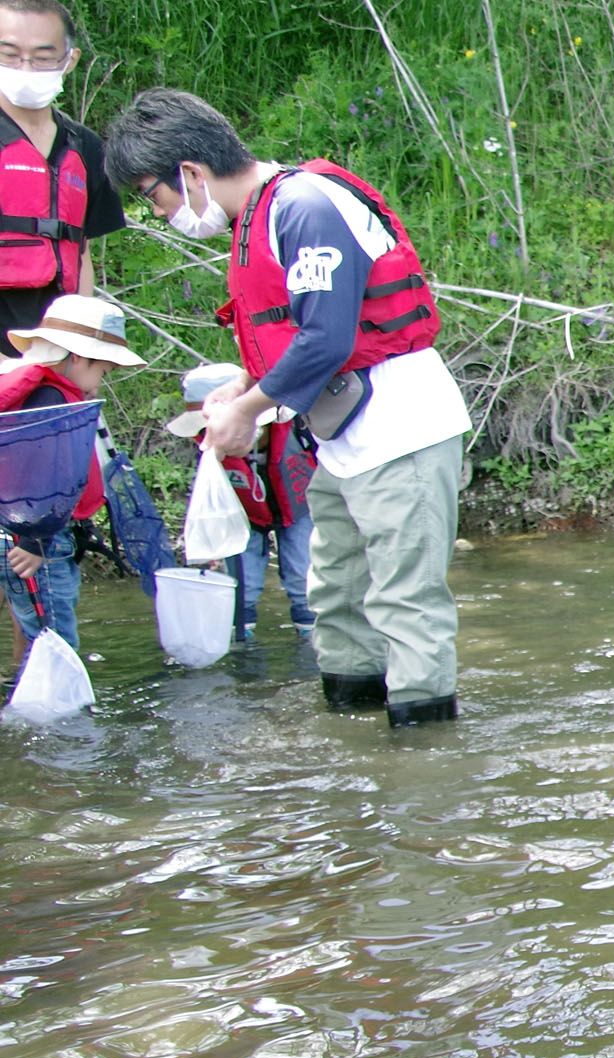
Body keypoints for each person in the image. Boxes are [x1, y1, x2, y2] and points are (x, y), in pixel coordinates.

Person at [106, 89, 470, 727]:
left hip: (401, 429)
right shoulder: (260, 214)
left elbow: (326, 338)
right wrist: (246, 384)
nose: (158, 211)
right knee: (336, 594)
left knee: (406, 602)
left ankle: (423, 775)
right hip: (342, 440)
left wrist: (248, 410)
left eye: (153, 195)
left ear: (189, 173)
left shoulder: (302, 205)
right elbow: (300, 329)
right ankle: (353, 745)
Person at [1, 295, 145, 654]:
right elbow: (37, 477)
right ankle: (58, 710)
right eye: (102, 371)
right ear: (77, 356)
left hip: (35, 533)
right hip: (36, 538)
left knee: (44, 632)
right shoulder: (49, 401)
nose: (100, 381)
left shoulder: (42, 391)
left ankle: (36, 701)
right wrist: (36, 542)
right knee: (54, 642)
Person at [0, 0, 128, 336]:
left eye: (42, 57)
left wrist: (78, 339)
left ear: (69, 60)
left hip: (57, 340)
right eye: (9, 55)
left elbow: (81, 250)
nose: (24, 68)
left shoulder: (85, 147)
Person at [166, 361, 316, 641]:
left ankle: (313, 650)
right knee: (241, 589)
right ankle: (242, 653)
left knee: (304, 581)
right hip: (244, 517)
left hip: (299, 509)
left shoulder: (298, 429)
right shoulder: (208, 447)